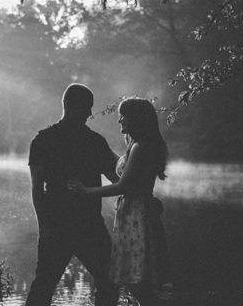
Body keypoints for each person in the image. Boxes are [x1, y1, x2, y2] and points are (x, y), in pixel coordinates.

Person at [68, 97, 170, 306]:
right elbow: (125, 169)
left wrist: (86, 191)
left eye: (123, 116)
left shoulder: (140, 148)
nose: (119, 120)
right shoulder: (138, 146)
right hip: (134, 213)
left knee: (137, 280)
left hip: (136, 216)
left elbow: (123, 186)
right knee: (138, 280)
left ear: (135, 119)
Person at [26, 83, 120, 306]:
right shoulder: (43, 140)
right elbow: (36, 187)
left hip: (90, 224)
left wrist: (138, 173)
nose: (89, 112)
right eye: (85, 107)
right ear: (68, 105)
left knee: (108, 280)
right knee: (44, 286)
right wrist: (44, 227)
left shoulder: (96, 141)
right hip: (56, 225)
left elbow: (118, 180)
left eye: (91, 107)